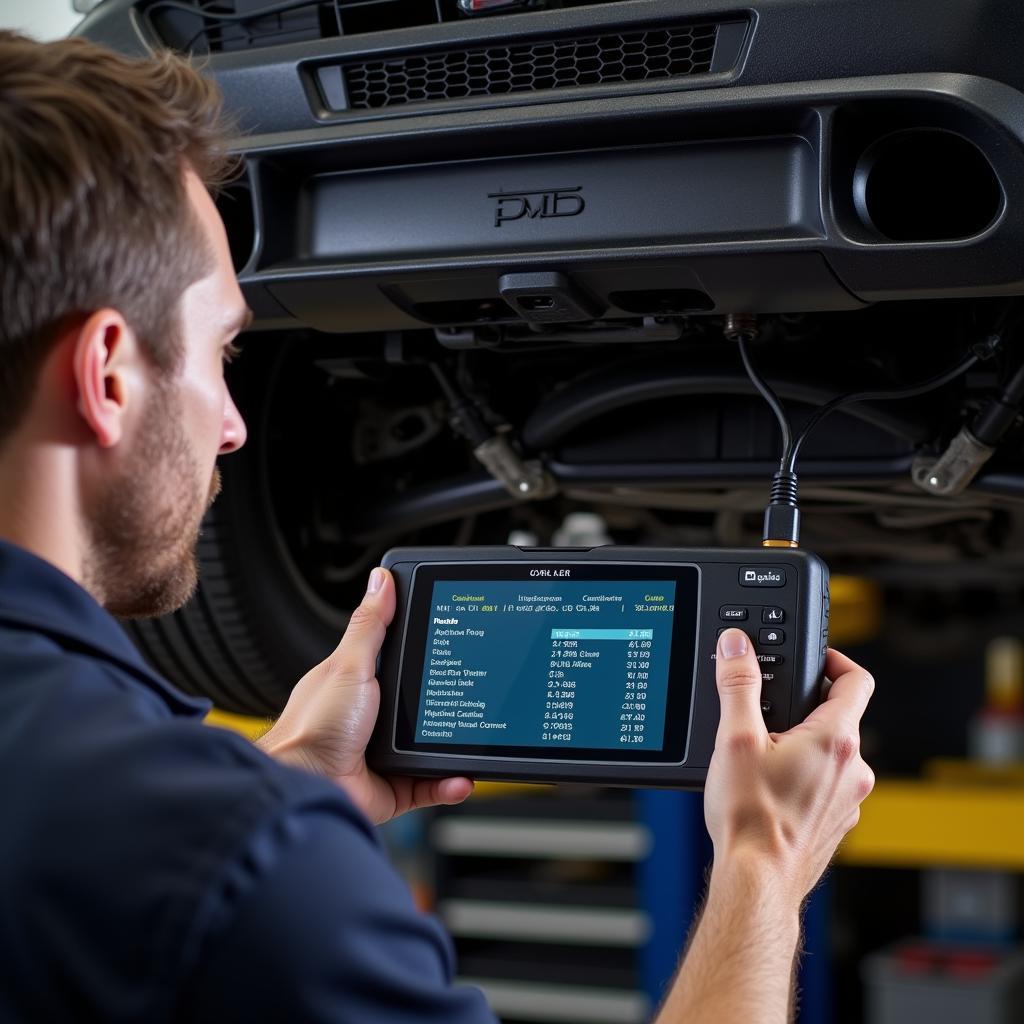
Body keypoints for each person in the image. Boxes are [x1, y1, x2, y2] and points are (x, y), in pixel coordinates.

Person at [0, 30, 875, 1024]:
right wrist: (764, 867)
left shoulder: (179, 834)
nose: (235, 425)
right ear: (107, 375)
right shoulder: (229, 856)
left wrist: (288, 794)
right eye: (223, 351)